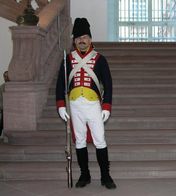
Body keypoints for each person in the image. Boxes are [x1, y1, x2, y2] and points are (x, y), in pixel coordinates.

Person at [56, 18, 116, 189]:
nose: (82, 40)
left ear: (90, 39)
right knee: (80, 141)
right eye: (78, 38)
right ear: (74, 41)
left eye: (84, 37)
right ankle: (85, 174)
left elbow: (109, 84)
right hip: (74, 105)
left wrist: (106, 106)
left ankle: (105, 176)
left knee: (100, 140)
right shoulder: (67, 59)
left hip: (93, 106)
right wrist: (61, 104)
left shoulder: (100, 59)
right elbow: (61, 84)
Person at [0, 71, 9, 138]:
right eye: (5, 76)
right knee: (2, 124)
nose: (6, 78)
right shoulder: (2, 87)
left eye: (7, 76)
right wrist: (2, 107)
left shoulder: (15, 86)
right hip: (4, 108)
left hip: (13, 109)